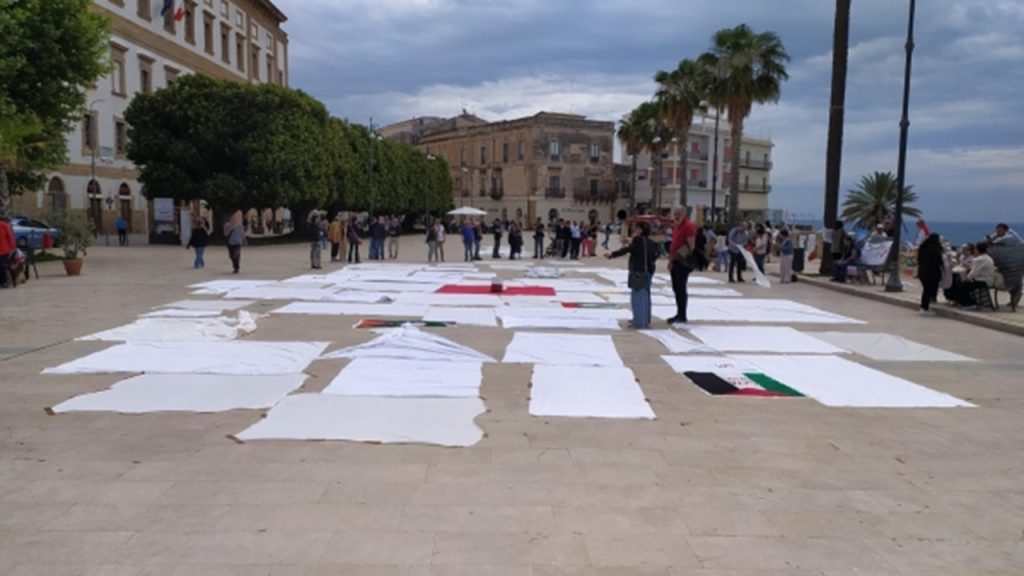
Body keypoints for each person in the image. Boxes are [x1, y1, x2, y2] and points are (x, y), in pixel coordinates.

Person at [605, 220, 658, 329]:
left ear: (641, 230)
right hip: (648, 271)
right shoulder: (650, 242)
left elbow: (628, 250)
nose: (634, 230)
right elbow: (653, 255)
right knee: (646, 296)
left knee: (637, 296)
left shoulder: (638, 240)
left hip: (638, 271)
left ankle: (639, 322)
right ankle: (645, 320)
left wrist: (612, 254)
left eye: (636, 228)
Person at [666, 208, 697, 324]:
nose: (677, 216)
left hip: (682, 262)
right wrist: (670, 261)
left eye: (679, 214)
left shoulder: (688, 226)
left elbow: (691, 246)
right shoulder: (676, 226)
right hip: (675, 261)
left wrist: (680, 258)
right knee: (676, 288)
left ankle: (682, 314)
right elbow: (673, 245)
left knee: (680, 287)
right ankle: (679, 313)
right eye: (675, 214)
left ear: (684, 214)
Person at [956, 242, 995, 309]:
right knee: (960, 281)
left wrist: (966, 279)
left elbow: (974, 273)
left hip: (983, 280)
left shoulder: (979, 259)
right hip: (987, 279)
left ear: (977, 249)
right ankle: (965, 301)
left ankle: (969, 303)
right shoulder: (987, 258)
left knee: (961, 283)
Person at [916, 232, 944, 316]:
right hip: (931, 274)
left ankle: (924, 306)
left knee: (926, 290)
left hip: (922, 272)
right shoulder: (935, 250)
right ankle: (924, 308)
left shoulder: (923, 248)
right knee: (928, 291)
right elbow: (938, 262)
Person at [0, 215, 14, 288]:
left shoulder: (3, 226)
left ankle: (4, 281)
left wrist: (12, 248)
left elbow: (10, 237)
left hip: (4, 250)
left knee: (1, 266)